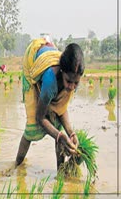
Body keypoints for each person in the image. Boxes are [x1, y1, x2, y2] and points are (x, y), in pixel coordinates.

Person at [15, 38, 84, 170]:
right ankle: (16, 165)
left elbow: (61, 108)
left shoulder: (73, 78)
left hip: (49, 58)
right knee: (31, 129)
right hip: (32, 63)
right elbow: (39, 118)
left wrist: (70, 133)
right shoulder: (50, 80)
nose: (72, 87)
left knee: (58, 126)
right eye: (69, 81)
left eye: (76, 83)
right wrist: (59, 136)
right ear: (63, 71)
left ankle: (61, 172)